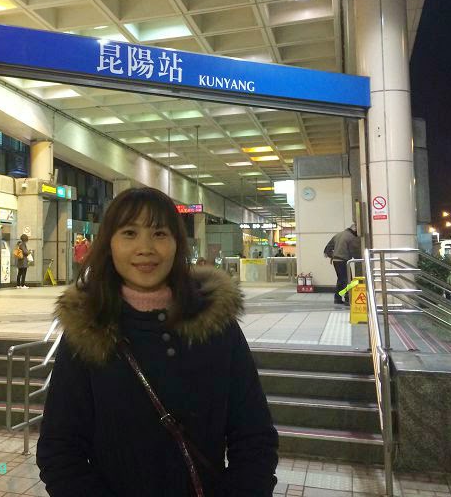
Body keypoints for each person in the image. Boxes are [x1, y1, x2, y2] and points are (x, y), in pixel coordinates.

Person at [37, 187, 278, 497]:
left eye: (160, 234)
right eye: (129, 233)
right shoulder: (89, 329)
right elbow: (59, 449)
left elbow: (255, 437)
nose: (145, 248)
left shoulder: (215, 324)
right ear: (109, 244)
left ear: (177, 244)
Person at [324, 223, 361, 305]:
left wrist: (333, 255)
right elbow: (355, 252)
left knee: (341, 280)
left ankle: (337, 298)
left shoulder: (338, 235)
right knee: (348, 280)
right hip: (343, 260)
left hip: (336, 261)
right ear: (355, 230)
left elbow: (327, 248)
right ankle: (348, 299)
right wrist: (360, 260)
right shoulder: (351, 237)